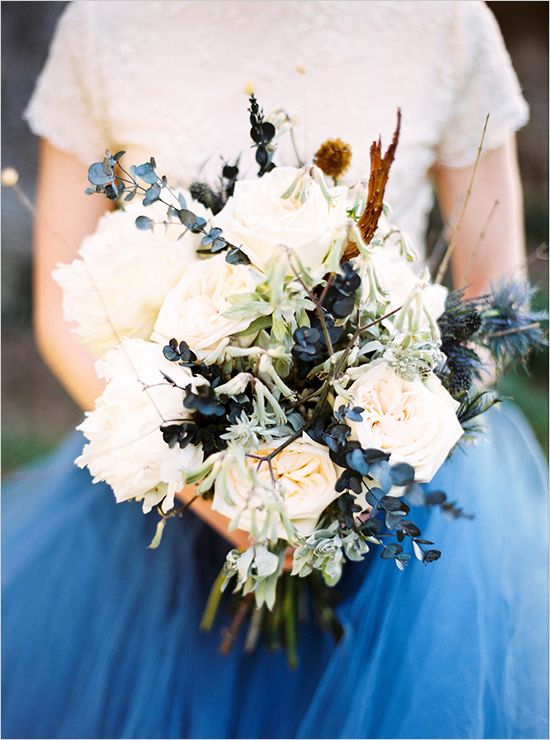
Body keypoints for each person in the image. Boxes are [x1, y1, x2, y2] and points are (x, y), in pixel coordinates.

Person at [3, 2, 547, 738]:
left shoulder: (447, 23)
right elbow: (59, 310)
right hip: (159, 505)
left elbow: (491, 296)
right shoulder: (104, 28)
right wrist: (204, 481)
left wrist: (370, 454)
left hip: (393, 502)